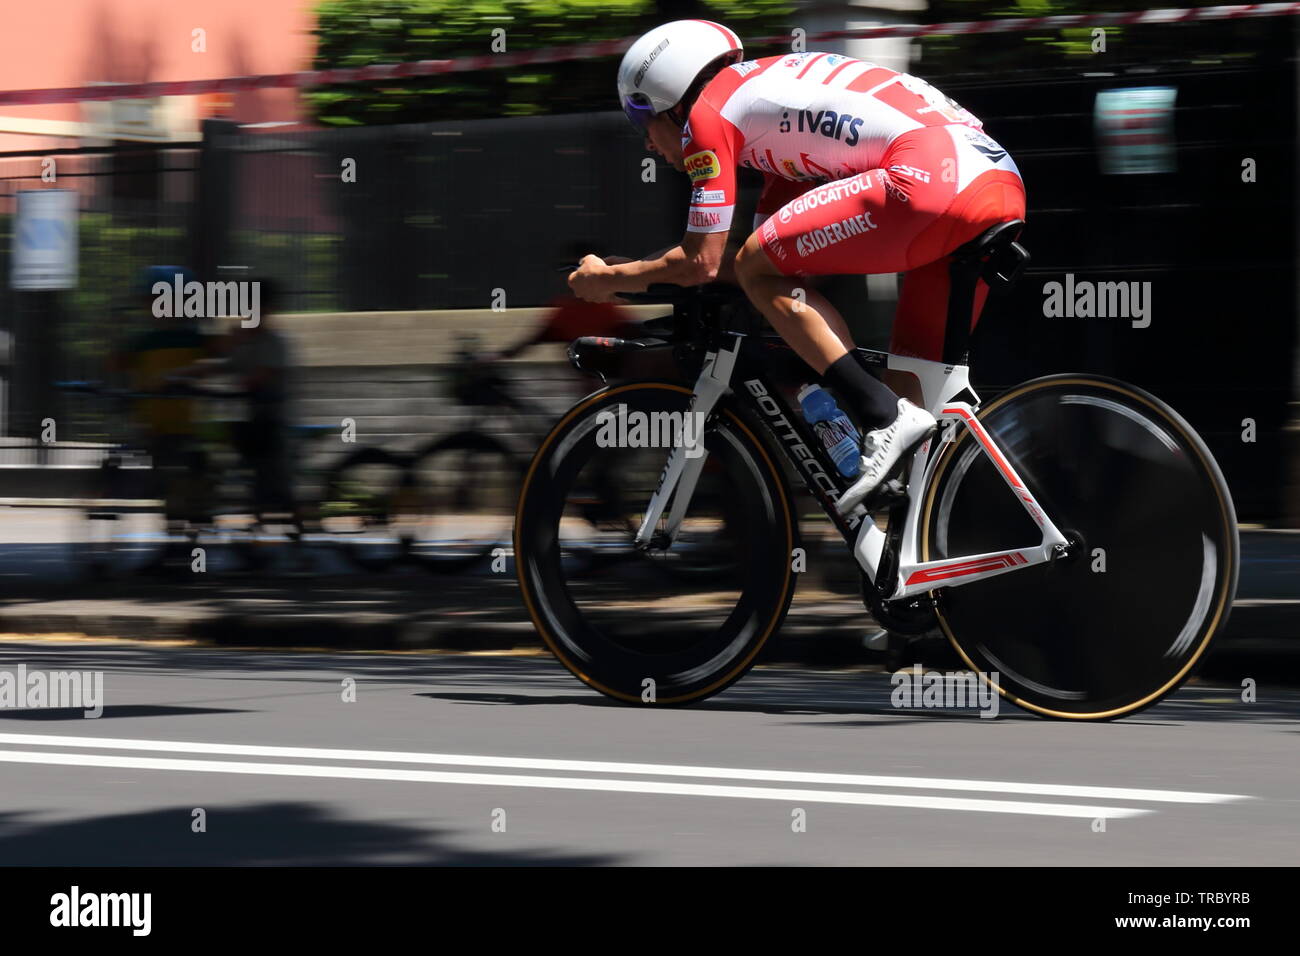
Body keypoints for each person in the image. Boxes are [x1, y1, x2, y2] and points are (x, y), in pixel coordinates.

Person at [568, 20, 1026, 514]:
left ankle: (880, 413)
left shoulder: (706, 116)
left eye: (644, 125)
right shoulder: (777, 128)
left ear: (671, 103)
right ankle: (929, 557)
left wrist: (610, 279)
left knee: (886, 408)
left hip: (930, 177)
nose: (647, 146)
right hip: (994, 180)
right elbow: (758, 267)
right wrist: (644, 269)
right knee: (915, 403)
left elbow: (703, 262)